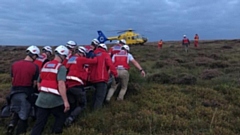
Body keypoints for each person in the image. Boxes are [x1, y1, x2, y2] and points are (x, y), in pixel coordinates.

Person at [31, 45, 70, 135]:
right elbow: (61, 84)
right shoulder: (61, 68)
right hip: (55, 100)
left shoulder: (46, 65)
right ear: (62, 55)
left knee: (39, 124)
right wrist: (65, 101)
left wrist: (42, 89)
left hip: (41, 99)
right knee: (60, 117)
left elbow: (38, 81)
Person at [7, 45, 40, 135]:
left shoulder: (14, 64)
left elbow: (12, 80)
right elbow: (34, 83)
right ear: (33, 55)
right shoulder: (35, 67)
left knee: (16, 110)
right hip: (26, 93)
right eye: (36, 56)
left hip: (13, 92)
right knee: (24, 115)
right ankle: (20, 132)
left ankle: (11, 125)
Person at [64, 46, 97, 126]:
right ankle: (71, 118)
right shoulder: (80, 59)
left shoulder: (71, 59)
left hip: (68, 85)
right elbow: (94, 61)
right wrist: (95, 55)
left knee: (72, 104)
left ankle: (66, 121)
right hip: (77, 85)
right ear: (82, 53)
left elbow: (66, 68)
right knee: (82, 104)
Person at [89, 43, 118, 111]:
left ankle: (91, 110)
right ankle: (96, 113)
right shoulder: (105, 54)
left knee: (95, 96)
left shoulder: (93, 54)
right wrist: (115, 75)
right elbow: (111, 65)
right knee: (100, 96)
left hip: (92, 79)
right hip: (101, 78)